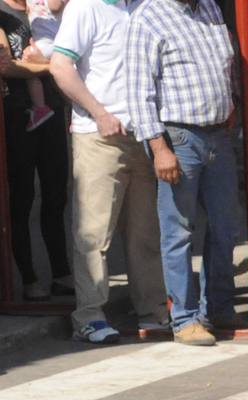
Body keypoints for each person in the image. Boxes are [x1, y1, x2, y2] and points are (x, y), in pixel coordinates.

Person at [49, 0, 168, 344]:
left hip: (142, 134)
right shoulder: (85, 7)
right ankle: (89, 315)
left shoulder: (145, 7)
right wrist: (98, 112)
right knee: (93, 234)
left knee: (145, 232)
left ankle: (152, 309)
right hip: (98, 136)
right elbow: (60, 65)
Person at [125, 0, 241, 347]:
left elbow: (226, 63)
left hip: (217, 134)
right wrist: (159, 148)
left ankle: (216, 307)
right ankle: (185, 317)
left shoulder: (210, 8)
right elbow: (139, 92)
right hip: (178, 137)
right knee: (178, 232)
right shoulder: (147, 16)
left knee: (225, 227)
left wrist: (231, 100)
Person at [2, 0, 72, 302]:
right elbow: (5, 67)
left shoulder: (42, 5)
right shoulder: (3, 14)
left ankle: (61, 273)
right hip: (17, 115)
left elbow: (72, 51)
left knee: (57, 195)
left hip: (52, 111)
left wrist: (51, 64)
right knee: (22, 198)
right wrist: (50, 67)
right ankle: (29, 278)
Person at [22, 0, 58, 130]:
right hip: (50, 42)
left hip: (48, 43)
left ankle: (40, 107)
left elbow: (56, 7)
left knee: (26, 65)